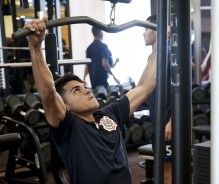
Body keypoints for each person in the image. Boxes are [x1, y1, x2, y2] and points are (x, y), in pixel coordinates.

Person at [24, 17, 156, 184]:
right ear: (65, 106)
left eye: (84, 86)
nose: (86, 90)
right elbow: (48, 93)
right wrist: (35, 47)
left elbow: (145, 86)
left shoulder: (110, 112)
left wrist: (160, 43)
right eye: (76, 90)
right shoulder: (68, 127)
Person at [141, 14, 172, 183]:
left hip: (168, 122)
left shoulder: (168, 54)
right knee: (160, 167)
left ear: (156, 31)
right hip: (157, 122)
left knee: (168, 170)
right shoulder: (152, 57)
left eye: (146, 29)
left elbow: (181, 90)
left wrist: (173, 121)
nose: (143, 33)